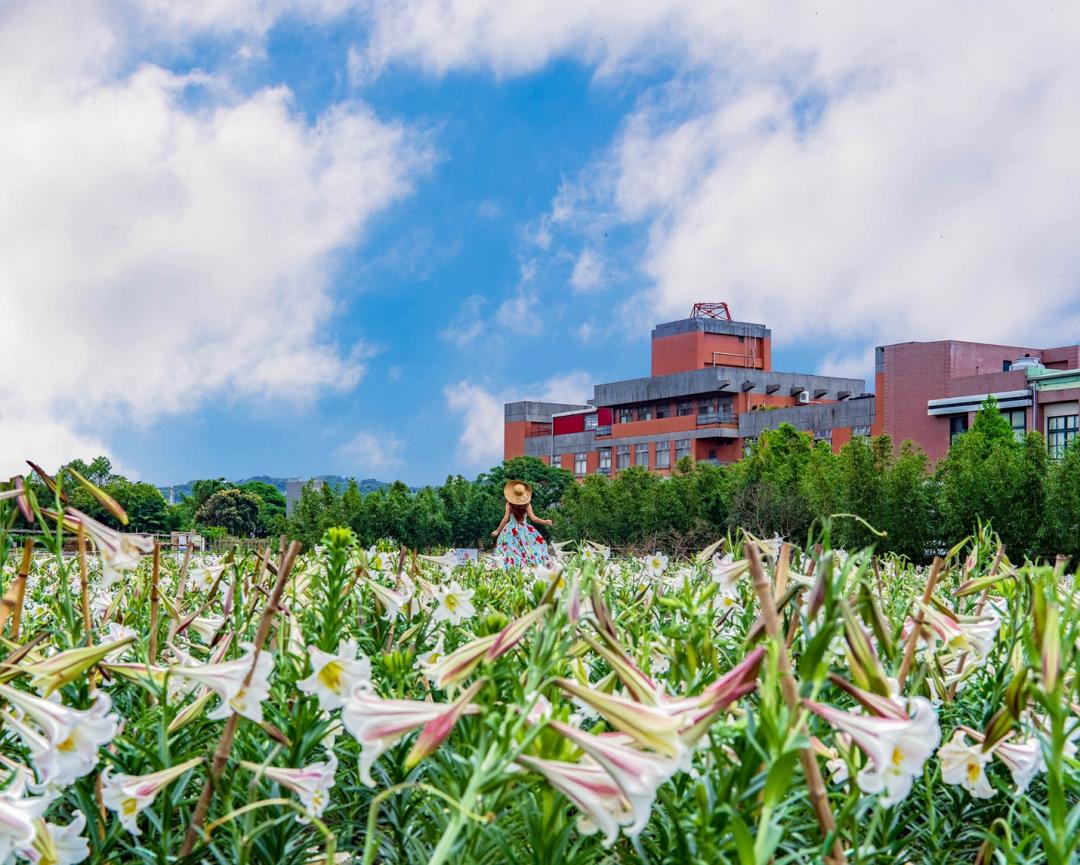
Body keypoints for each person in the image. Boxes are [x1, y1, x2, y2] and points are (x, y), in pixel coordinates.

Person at [491, 480, 553, 570]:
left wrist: (497, 531)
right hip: (525, 531)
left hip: (510, 531)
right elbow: (534, 518)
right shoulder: (527, 505)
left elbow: (505, 520)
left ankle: (510, 568)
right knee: (528, 549)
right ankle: (530, 568)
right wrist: (545, 521)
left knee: (511, 550)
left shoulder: (509, 504)